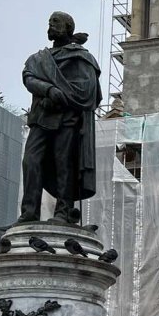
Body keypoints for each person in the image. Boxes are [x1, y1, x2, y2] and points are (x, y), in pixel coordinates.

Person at [15, 12, 101, 226]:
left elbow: (87, 91)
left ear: (68, 28)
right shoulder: (39, 58)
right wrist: (49, 90)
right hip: (41, 117)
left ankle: (63, 211)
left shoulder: (81, 57)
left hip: (67, 118)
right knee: (30, 161)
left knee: (64, 163)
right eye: (49, 22)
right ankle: (29, 213)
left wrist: (60, 98)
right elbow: (28, 78)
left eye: (56, 22)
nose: (51, 25)